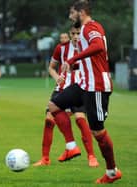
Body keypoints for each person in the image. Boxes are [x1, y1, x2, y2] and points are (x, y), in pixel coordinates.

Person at [48, 1, 122, 184]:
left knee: (97, 131)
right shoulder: (85, 30)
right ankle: (71, 146)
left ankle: (112, 171)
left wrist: (73, 58)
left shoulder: (91, 27)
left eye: (72, 12)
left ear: (81, 12)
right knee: (53, 106)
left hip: (96, 86)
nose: (70, 16)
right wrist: (76, 64)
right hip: (83, 84)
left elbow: (98, 46)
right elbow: (93, 58)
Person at [33, 26, 99, 167]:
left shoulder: (89, 48)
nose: (75, 36)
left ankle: (91, 157)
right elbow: (51, 67)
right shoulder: (61, 48)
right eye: (73, 33)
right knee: (49, 119)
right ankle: (45, 158)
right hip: (62, 89)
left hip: (80, 88)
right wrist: (57, 77)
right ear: (69, 34)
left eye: (78, 33)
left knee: (80, 120)